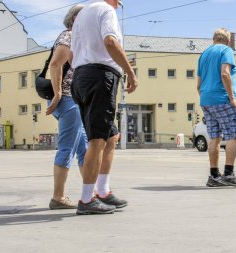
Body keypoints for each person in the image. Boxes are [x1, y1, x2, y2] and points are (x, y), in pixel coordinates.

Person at [71, 0, 138, 214]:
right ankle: (86, 199)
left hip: (82, 76)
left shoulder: (82, 14)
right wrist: (130, 72)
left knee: (111, 137)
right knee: (97, 140)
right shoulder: (106, 10)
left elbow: (74, 53)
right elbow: (110, 42)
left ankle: (102, 191)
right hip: (100, 76)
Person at [47, 4, 87, 210]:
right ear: (75, 18)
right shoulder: (69, 35)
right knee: (67, 148)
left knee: (83, 149)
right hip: (68, 100)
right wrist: (58, 94)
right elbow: (55, 64)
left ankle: (91, 194)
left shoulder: (77, 38)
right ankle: (58, 197)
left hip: (74, 100)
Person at [197, 28, 236, 187]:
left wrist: (206, 98)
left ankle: (213, 176)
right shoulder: (226, 50)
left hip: (206, 99)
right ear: (227, 40)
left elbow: (198, 84)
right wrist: (232, 98)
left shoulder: (203, 54)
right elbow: (225, 73)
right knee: (235, 135)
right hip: (223, 98)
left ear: (213, 39)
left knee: (215, 137)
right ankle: (228, 174)